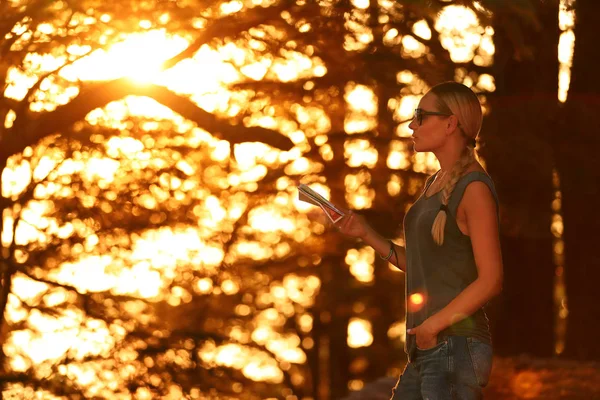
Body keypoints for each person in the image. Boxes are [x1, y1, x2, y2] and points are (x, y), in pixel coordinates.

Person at [335, 81, 503, 399]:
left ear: (451, 123)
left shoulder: (475, 189)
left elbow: (491, 280)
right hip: (429, 347)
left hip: (456, 345)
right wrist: (366, 234)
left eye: (420, 115)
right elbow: (418, 265)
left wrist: (433, 325)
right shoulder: (433, 186)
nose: (412, 124)